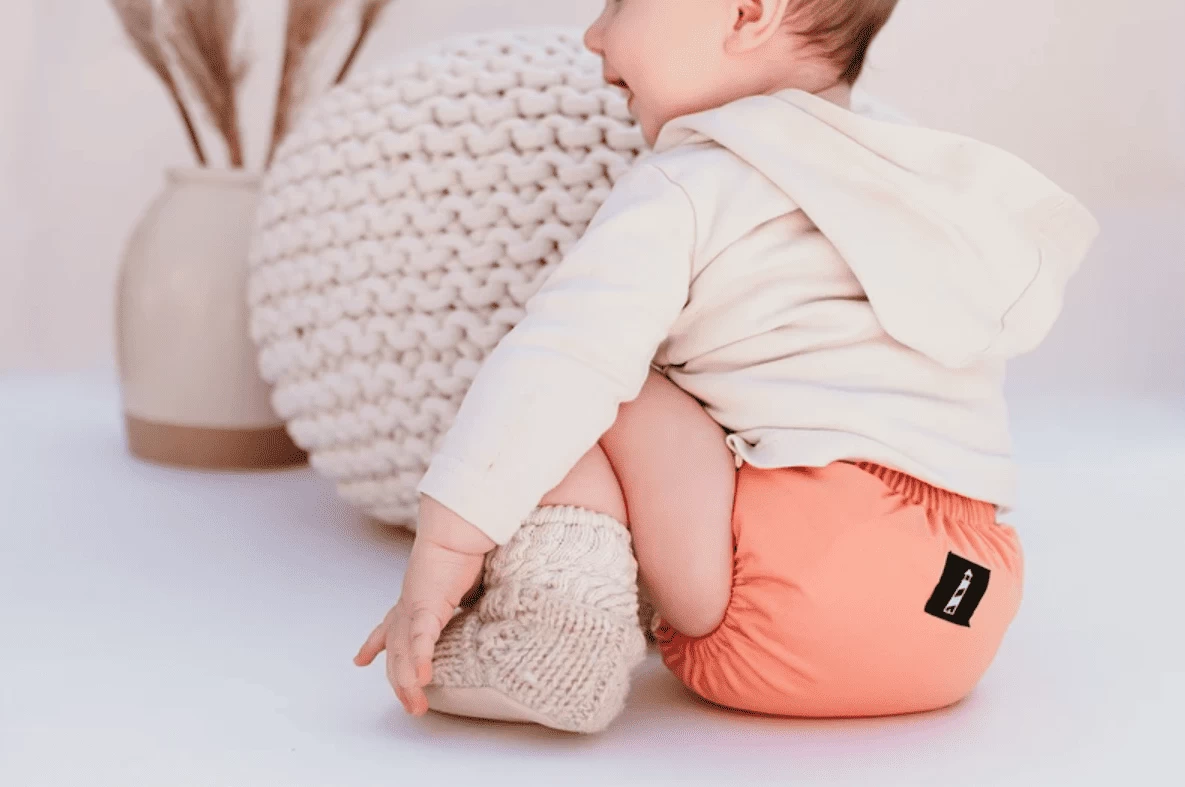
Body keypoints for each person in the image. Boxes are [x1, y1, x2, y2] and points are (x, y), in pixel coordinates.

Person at [354, 0, 1099, 734]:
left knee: (593, 388)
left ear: (746, 14)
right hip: (966, 612)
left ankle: (555, 628)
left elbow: (559, 364)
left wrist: (446, 546)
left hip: (798, 572)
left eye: (620, 2)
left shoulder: (691, 178)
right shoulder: (917, 197)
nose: (593, 35)